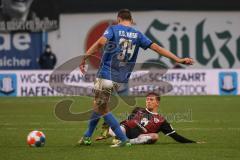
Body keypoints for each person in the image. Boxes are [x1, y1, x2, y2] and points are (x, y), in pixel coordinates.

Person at [78, 9, 194, 147]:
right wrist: (178, 59)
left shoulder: (113, 29)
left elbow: (99, 43)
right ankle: (87, 136)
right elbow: (156, 48)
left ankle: (122, 139)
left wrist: (84, 57)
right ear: (131, 20)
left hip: (107, 73)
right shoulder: (137, 34)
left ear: (118, 18)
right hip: (121, 78)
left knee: (101, 108)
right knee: (98, 105)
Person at [96, 92, 203, 145]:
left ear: (157, 102)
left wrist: (193, 142)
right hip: (124, 130)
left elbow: (175, 136)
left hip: (138, 137)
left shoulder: (161, 120)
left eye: (151, 100)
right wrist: (106, 136)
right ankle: (116, 136)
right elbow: (125, 123)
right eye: (147, 99)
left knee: (155, 136)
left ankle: (125, 141)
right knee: (117, 124)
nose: (148, 101)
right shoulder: (138, 109)